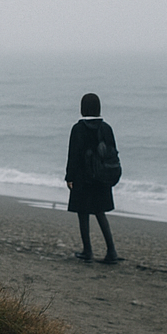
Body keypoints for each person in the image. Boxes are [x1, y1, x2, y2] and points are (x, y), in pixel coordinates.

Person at [65, 92, 120, 264]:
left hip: (83, 179)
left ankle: (87, 251)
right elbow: (112, 153)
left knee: (83, 214)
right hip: (102, 178)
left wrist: (69, 177)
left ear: (83, 108)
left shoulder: (78, 129)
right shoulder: (106, 128)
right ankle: (111, 251)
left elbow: (73, 156)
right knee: (100, 212)